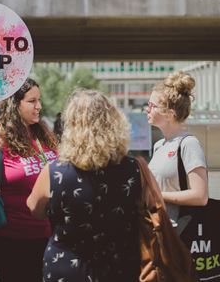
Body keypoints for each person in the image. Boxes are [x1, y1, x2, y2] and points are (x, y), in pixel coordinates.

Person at [27, 90, 143, 282]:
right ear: (114, 122)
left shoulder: (55, 171)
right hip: (119, 266)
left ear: (71, 125)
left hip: (66, 266)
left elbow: (35, 209)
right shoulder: (134, 168)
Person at [0, 78, 58, 282]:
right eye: (32, 101)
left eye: (39, 100)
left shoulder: (43, 135)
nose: (39, 106)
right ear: (15, 105)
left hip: (50, 233)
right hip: (12, 237)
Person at [146, 71, 208, 224]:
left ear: (169, 114)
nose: (147, 109)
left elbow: (201, 196)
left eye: (152, 106)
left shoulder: (189, 144)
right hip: (160, 227)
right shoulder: (159, 145)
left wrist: (159, 195)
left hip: (180, 232)